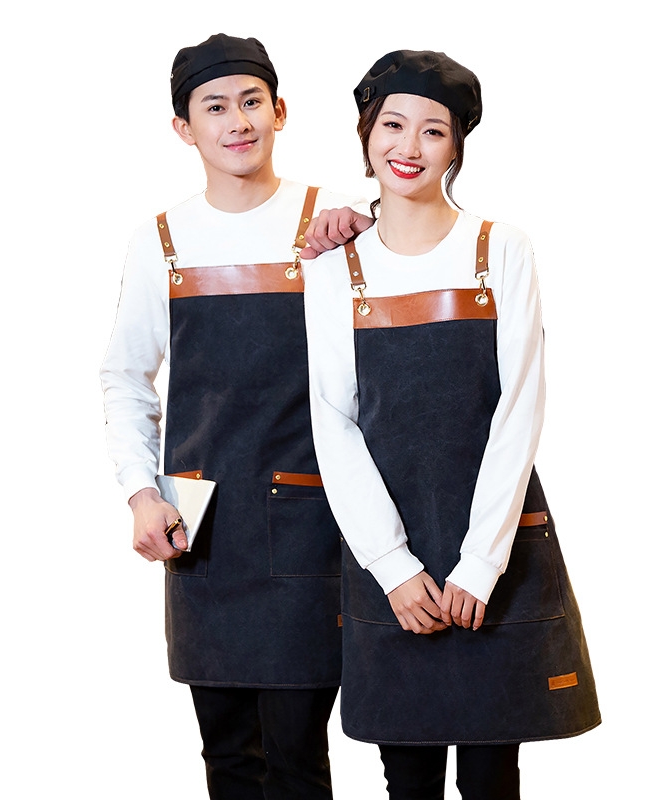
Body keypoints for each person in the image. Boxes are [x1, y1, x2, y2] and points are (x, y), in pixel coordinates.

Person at [302, 49, 601, 800]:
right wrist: (393, 565)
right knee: (407, 776)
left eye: (433, 130)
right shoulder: (334, 267)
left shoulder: (501, 249)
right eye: (392, 125)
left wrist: (480, 562)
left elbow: (519, 408)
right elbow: (333, 423)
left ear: (457, 146)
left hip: (494, 545)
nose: (409, 146)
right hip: (388, 552)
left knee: (493, 775)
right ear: (366, 134)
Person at [100, 33, 371, 799]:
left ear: (280, 111)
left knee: (296, 756)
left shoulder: (332, 225)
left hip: (309, 518)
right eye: (215, 107)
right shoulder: (161, 241)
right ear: (184, 128)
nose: (238, 121)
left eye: (252, 102)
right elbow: (124, 376)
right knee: (226, 755)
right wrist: (140, 492)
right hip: (202, 524)